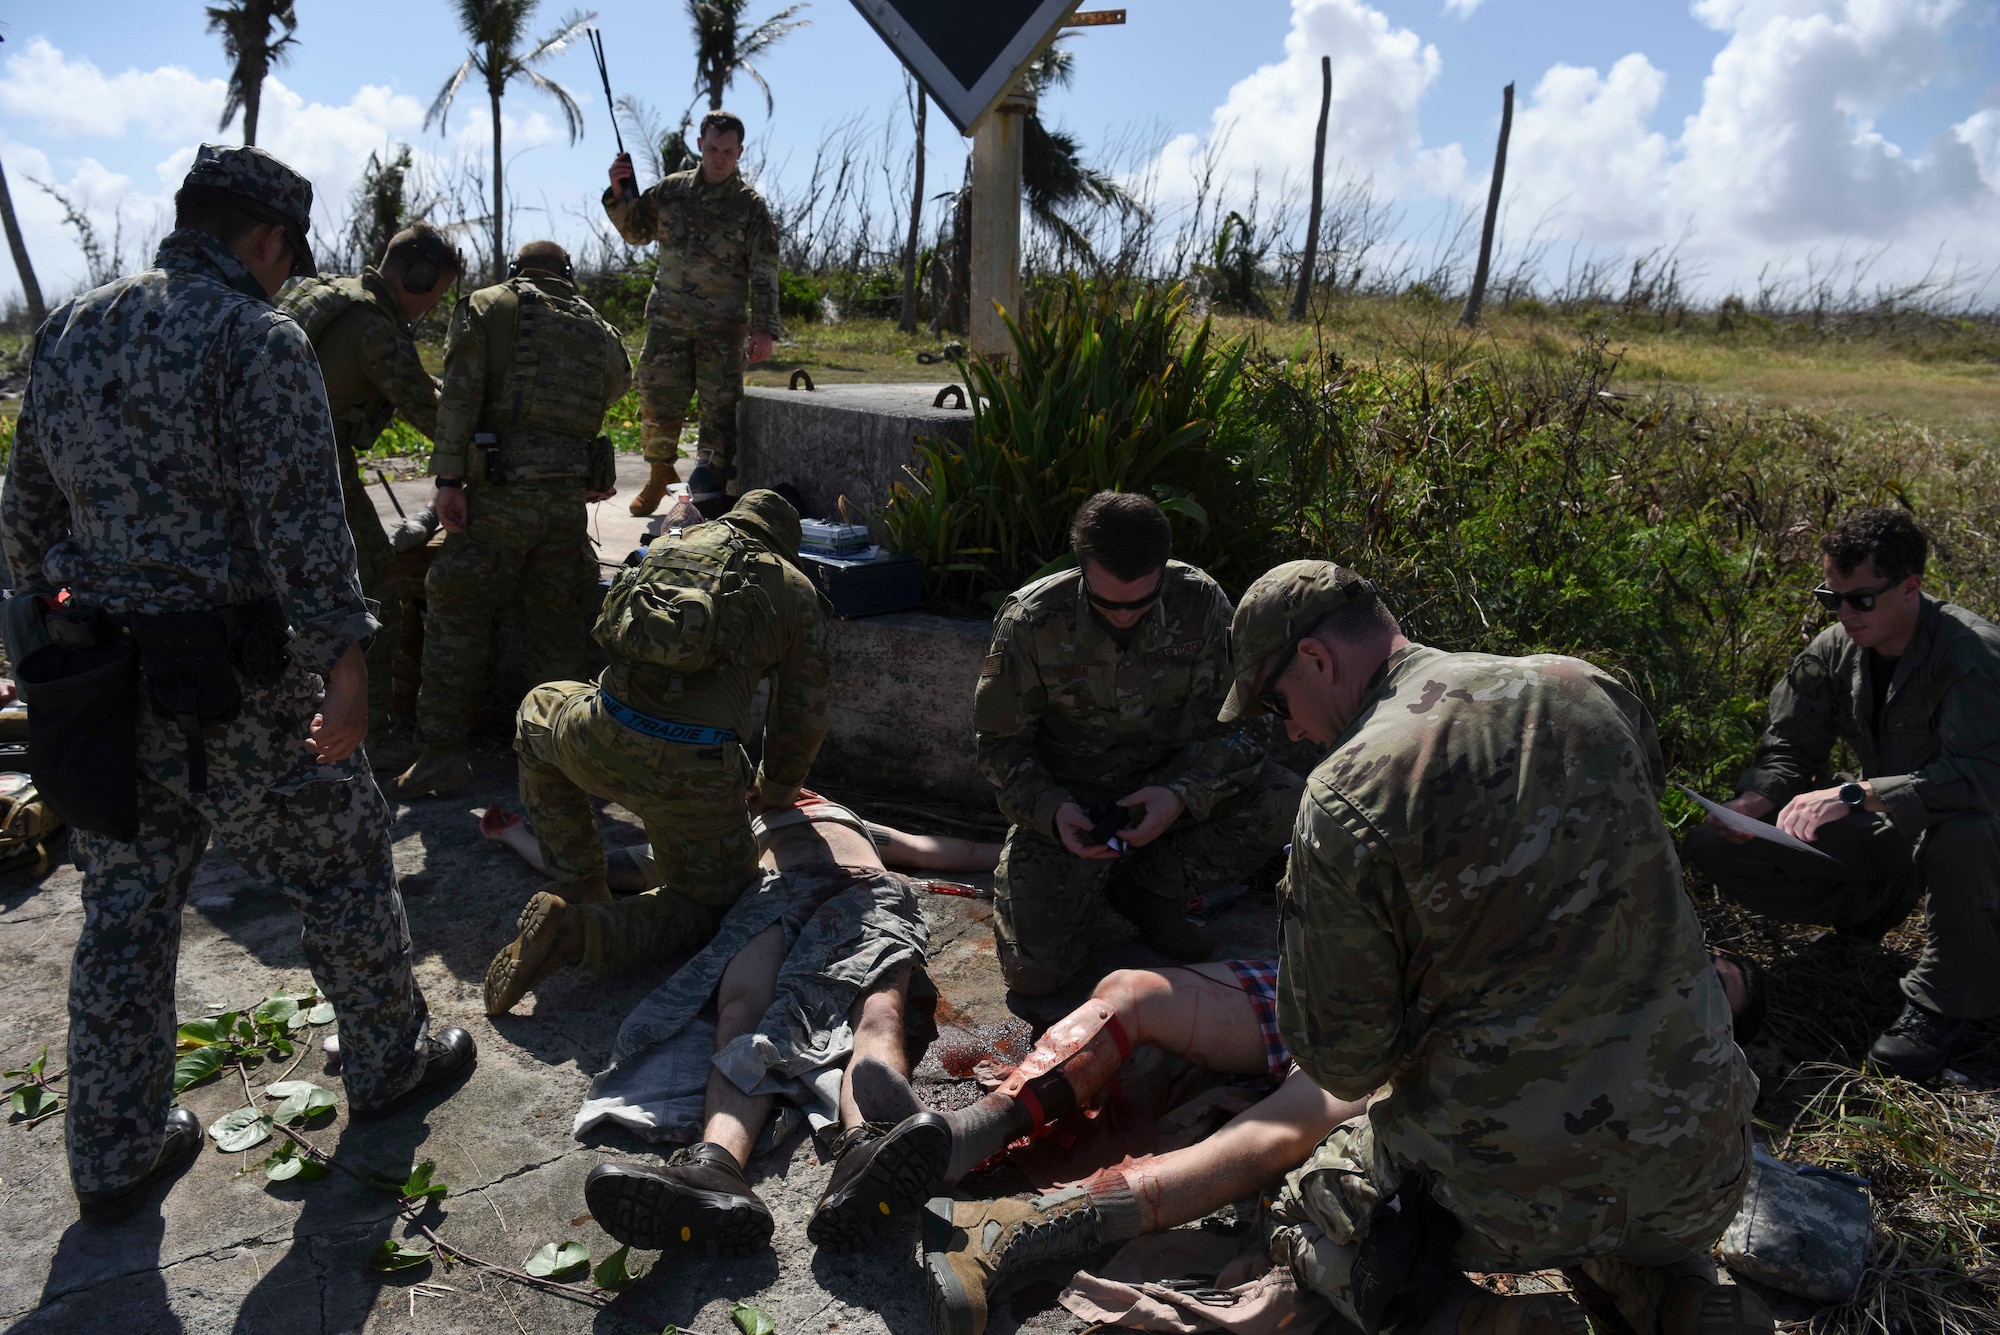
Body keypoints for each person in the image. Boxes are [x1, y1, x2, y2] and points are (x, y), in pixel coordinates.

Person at [0, 144, 474, 1225]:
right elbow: (305, 528)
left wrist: (53, 646)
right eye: (284, 253)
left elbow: (25, 518)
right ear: (267, 244)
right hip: (236, 690)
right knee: (345, 857)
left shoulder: (71, 327)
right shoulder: (256, 340)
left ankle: (113, 1147)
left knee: (125, 904)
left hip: (105, 682)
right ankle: (388, 1062)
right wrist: (345, 665)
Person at [1215, 560, 1767, 1335]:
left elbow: (1345, 1061)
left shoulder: (1346, 791)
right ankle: (1677, 1289)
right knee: (1614, 1189)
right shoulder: (1586, 686)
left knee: (1310, 1202)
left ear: (1316, 659)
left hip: (1506, 1195)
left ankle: (1476, 1317)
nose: (1293, 729)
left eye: (1279, 704)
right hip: (1703, 1161)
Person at [862, 951, 1765, 1335]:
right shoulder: (1632, 981)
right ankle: (979, 1130)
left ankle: (1025, 1199)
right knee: (1136, 992)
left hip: (1408, 1050)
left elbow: (1293, 1121)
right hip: (1363, 996)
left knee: (1316, 1190)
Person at [483, 488, 831, 1014]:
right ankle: (579, 933)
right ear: (786, 542)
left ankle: (579, 883)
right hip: (693, 777)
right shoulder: (794, 590)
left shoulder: (674, 543)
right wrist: (778, 788)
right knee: (712, 905)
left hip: (600, 736)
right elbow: (800, 712)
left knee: (539, 708)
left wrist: (674, 525)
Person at [1684, 508, 2000, 1081]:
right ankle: (1872, 908)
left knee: (1964, 834)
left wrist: (1859, 794)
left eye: (1861, 599)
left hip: (1975, 837)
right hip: (1896, 830)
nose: (1845, 613)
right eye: (1832, 597)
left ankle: (1943, 1004)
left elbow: (1986, 776)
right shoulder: (1834, 650)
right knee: (1716, 844)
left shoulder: (1971, 653)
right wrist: (1757, 801)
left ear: (1910, 588)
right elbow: (1788, 749)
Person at [974, 491, 1303, 995]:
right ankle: (1085, 888)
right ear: (1081, 569)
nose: (1125, 615)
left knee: (1288, 801)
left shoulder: (1201, 602)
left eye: (1141, 602)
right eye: (1109, 604)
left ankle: (1149, 890)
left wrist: (1180, 795)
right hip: (1073, 808)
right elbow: (999, 747)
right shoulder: (1033, 622)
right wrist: (1051, 810)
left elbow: (1245, 724)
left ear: (1162, 569)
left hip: (1171, 791)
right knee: (1035, 976)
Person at [582, 791, 930, 1256]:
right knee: (742, 1013)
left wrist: (1047, 828)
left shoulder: (842, 814)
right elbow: (605, 865)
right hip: (772, 894)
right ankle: (716, 1167)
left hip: (867, 893)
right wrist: (516, 834)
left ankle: (867, 1150)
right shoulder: (729, 833)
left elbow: (935, 850)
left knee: (880, 1013)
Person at [391, 239, 632, 799]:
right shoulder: (599, 327)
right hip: (565, 505)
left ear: (516, 270)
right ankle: (562, 761)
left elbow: (458, 397)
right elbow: (616, 385)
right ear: (567, 275)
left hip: (498, 497)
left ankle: (442, 756)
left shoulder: (487, 306)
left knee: (457, 616)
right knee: (557, 632)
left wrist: (449, 481)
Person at [278, 223, 464, 775]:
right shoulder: (374, 327)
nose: (432, 306)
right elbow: (430, 413)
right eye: (435, 293)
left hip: (269, 459)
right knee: (376, 588)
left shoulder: (327, 294)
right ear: (420, 275)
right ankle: (373, 736)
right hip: (311, 468)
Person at [603, 109, 781, 517]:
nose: (719, 157)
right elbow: (636, 233)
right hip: (668, 322)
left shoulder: (749, 207)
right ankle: (660, 474)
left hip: (722, 329)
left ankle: (709, 489)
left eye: (728, 150)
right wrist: (619, 192)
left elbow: (765, 271)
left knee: (718, 412)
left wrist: (765, 327)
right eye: (713, 148)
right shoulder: (671, 191)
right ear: (700, 146)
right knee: (657, 402)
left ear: (739, 152)